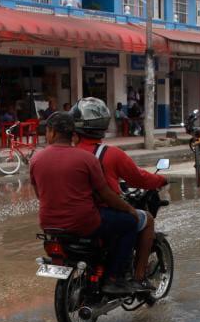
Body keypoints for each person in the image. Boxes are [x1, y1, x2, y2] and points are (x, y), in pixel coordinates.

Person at [29, 112, 143, 295]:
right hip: (84, 223)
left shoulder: (35, 159)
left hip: (48, 224)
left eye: (47, 131)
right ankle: (115, 278)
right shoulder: (87, 159)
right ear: (73, 134)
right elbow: (105, 194)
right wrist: (129, 209)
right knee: (130, 222)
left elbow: (40, 195)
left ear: (51, 132)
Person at [71, 97, 168, 287]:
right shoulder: (111, 154)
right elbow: (138, 178)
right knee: (143, 220)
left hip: (69, 217)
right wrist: (161, 179)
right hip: (99, 214)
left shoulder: (68, 153)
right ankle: (134, 277)